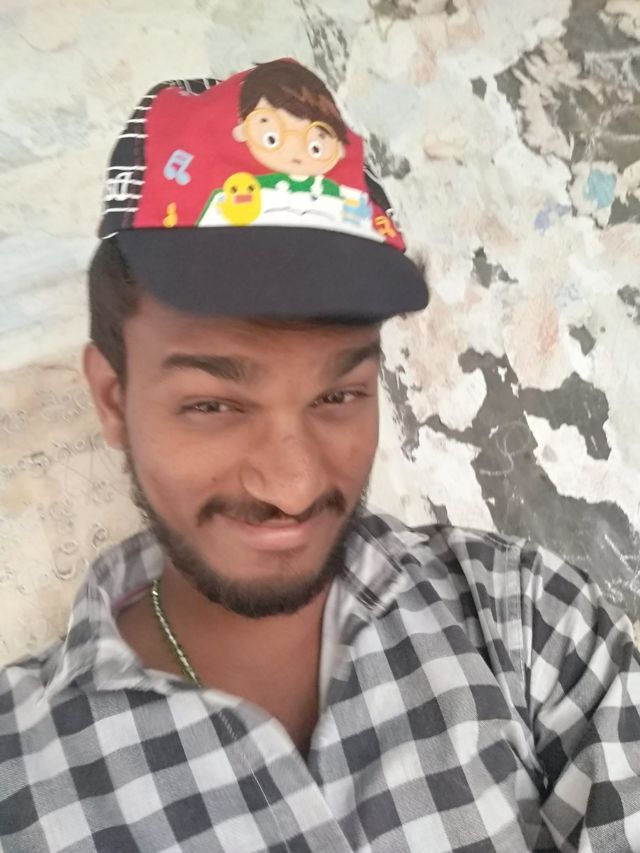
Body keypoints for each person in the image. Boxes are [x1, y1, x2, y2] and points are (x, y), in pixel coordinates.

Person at [0, 58, 638, 853]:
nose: (294, 483)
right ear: (112, 398)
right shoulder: (22, 774)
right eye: (213, 404)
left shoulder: (526, 621)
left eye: (339, 395)